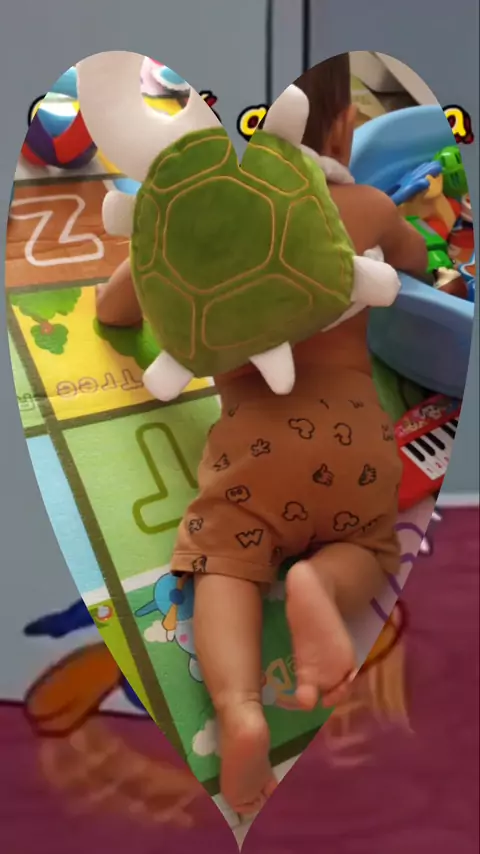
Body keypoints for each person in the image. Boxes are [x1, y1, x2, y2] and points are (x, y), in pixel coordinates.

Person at [96, 53, 427, 816]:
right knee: (369, 545)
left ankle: (240, 708)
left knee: (224, 564)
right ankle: (323, 585)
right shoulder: (367, 206)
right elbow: (413, 262)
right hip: (357, 441)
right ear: (344, 128)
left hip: (257, 455)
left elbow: (115, 310)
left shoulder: (193, 235)